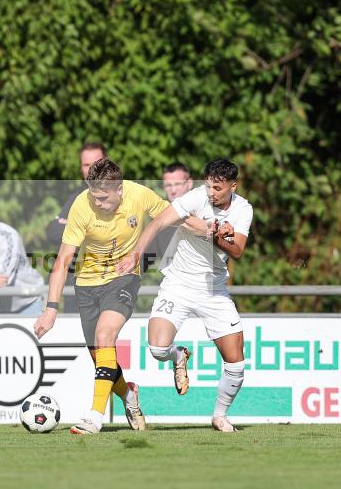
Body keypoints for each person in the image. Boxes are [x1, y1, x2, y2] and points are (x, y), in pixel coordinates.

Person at [33, 158, 211, 435]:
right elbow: (63, 259)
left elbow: (175, 217)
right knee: (102, 360)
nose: (98, 202)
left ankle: (93, 417)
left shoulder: (139, 195)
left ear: (119, 189)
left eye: (104, 197)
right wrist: (51, 308)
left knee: (105, 337)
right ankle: (129, 396)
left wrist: (210, 230)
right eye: (94, 196)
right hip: (87, 285)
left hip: (124, 278)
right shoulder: (82, 205)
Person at [118, 158, 254, 432]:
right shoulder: (194, 198)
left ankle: (219, 416)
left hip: (213, 290)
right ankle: (179, 356)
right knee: (157, 349)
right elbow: (156, 224)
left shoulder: (243, 209)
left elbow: (237, 251)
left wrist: (211, 233)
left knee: (236, 363)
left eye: (217, 188)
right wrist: (135, 255)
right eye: (208, 186)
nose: (211, 193)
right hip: (178, 284)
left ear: (232, 186)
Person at [45, 142, 107, 312]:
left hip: (111, 284)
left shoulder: (123, 193)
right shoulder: (76, 198)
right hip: (77, 285)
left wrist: (79, 228)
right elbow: (52, 231)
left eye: (97, 163)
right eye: (87, 165)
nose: (92, 169)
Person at [143, 162, 194, 271]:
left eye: (178, 184)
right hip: (172, 283)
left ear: (189, 183)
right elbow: (146, 258)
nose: (173, 191)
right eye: (168, 185)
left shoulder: (205, 210)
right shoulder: (160, 220)